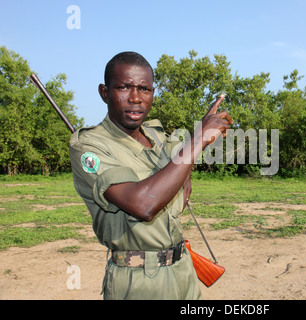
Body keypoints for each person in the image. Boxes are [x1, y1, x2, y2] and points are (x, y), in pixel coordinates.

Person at [69, 51, 232, 300]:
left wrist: (199, 134)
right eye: (124, 87)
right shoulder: (90, 147)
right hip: (138, 281)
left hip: (183, 270)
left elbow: (178, 167)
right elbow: (144, 205)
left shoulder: (156, 136)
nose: (135, 98)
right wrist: (198, 139)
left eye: (144, 89)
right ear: (104, 92)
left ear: (152, 94)